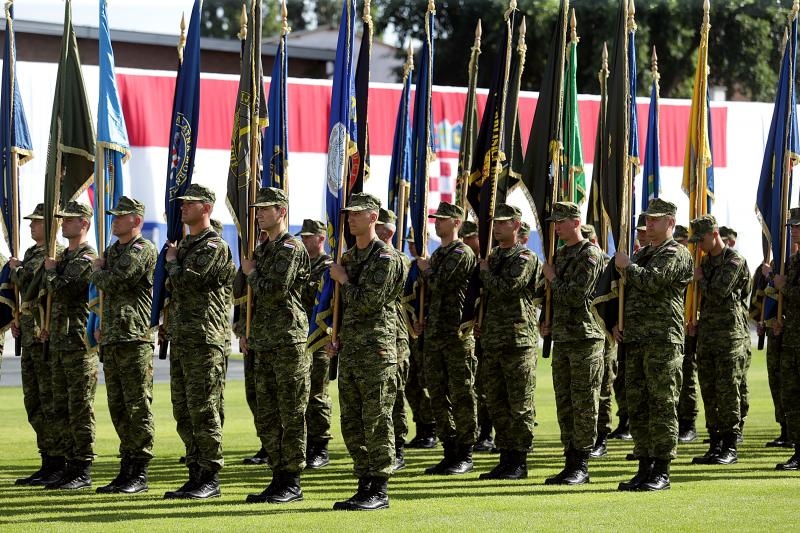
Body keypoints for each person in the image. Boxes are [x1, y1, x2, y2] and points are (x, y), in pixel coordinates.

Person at [327, 193, 404, 511]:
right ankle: (364, 482)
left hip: (376, 351)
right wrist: (335, 333)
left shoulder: (384, 258)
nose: (350, 219)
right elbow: (342, 307)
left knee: (376, 420)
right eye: (348, 214)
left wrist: (343, 281)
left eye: (357, 214)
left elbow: (370, 301)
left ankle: (379, 488)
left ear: (374, 217)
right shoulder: (348, 258)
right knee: (352, 422)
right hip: (352, 350)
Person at [614, 198, 693, 491]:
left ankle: (661, 469)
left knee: (662, 404)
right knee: (639, 405)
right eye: (648, 218)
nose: (649, 223)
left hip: (662, 340)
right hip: (636, 340)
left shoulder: (676, 253)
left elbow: (653, 282)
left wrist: (627, 266)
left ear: (670, 222)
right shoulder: (643, 253)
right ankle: (644, 465)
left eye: (656, 219)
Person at [162, 184, 235, 500]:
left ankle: (210, 476)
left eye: (189, 203)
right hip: (182, 338)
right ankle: (194, 473)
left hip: (205, 340)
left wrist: (173, 261)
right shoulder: (185, 245)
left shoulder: (213, 246)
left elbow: (190, 281)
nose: (183, 208)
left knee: (205, 409)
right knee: (185, 410)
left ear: (206, 207)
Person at [242, 187, 311, 504]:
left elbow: (275, 290)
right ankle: (278, 475)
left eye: (266, 209)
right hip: (263, 341)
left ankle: (292, 481)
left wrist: (252, 273)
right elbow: (248, 295)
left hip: (286, 340)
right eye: (257, 209)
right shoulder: (263, 249)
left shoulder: (290, 247)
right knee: (265, 413)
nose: (259, 214)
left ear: (282, 211)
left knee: (291, 412)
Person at [90, 197, 158, 494]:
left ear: (136, 221)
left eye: (121, 216)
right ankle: (126, 467)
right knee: (118, 407)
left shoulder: (142, 249)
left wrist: (96, 271)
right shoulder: (112, 251)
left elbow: (119, 280)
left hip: (135, 337)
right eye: (114, 216)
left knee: (137, 405)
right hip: (115, 338)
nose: (115, 220)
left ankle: (139, 471)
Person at [541, 203, 604, 485]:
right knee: (564, 402)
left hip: (584, 338)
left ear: (576, 222)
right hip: (564, 338)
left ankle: (582, 463)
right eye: (554, 222)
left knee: (583, 403)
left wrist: (553, 278)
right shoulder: (561, 254)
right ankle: (569, 460)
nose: (556, 227)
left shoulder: (590, 254)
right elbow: (550, 295)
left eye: (561, 222)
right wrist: (546, 319)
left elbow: (577, 295)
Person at [478, 204, 541, 480]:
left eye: (503, 223)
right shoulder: (493, 257)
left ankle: (519, 460)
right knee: (497, 401)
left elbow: (508, 288)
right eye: (496, 223)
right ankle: (505, 457)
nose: (497, 227)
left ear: (516, 225)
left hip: (518, 340)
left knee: (520, 403)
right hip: (493, 339)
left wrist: (485, 272)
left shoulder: (524, 256)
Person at [416, 202, 478, 476]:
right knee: (437, 394)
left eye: (442, 219)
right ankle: (449, 449)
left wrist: (426, 269)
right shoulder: (439, 253)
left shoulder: (461, 252)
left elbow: (443, 282)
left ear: (456, 222)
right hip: (435, 333)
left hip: (456, 333)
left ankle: (464, 452)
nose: (436, 223)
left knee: (461, 392)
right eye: (436, 219)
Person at [41, 201, 99, 490]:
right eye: (63, 220)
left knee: (79, 406)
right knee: (60, 406)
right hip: (60, 341)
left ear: (84, 224)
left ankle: (82, 468)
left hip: (78, 342)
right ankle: (65, 465)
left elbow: (64, 287)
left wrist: (51, 271)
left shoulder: (86, 257)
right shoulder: (64, 256)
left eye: (70, 220)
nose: (63, 224)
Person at [687, 215, 750, 466]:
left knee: (727, 392)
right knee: (709, 391)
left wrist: (701, 279)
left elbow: (719, 292)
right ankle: (715, 444)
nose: (699, 245)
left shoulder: (734, 260)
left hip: (730, 337)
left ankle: (730, 445)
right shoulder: (704, 261)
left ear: (715, 234)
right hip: (708, 336)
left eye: (701, 239)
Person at [10, 204, 63, 486]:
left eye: (37, 222)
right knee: (34, 403)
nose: (31, 226)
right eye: (30, 222)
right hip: (30, 336)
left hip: (45, 337)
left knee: (49, 400)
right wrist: (17, 318)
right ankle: (47, 460)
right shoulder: (32, 253)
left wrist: (15, 270)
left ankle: (57, 460)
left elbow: (31, 281)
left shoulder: (53, 253)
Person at [375, 208, 411, 472]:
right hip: (385, 337)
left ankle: (397, 446)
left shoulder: (395, 258)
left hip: (395, 337)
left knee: (395, 394)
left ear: (386, 231)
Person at [765, 207, 800, 470]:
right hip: (792, 338)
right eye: (792, 227)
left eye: (797, 226)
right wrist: (781, 319)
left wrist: (783, 286)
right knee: (791, 395)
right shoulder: (796, 260)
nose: (794, 231)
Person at [298, 219, 334, 469]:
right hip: (299, 338)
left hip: (319, 338)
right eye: (303, 236)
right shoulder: (301, 264)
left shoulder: (328, 267)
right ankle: (305, 443)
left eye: (309, 237)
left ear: (321, 239)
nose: (304, 240)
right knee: (300, 395)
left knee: (317, 395)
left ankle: (320, 446)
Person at [580, 224, 617, 459]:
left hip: (602, 333)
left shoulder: (605, 261)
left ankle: (601, 437)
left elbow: (614, 298)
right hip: (583, 333)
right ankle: (588, 437)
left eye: (589, 238)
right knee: (586, 390)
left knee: (603, 388)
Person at [461, 220, 493, 452]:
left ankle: (493, 436)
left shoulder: (489, 263)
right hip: (482, 334)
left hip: (504, 336)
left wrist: (486, 273)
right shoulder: (472, 264)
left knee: (496, 391)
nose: (466, 241)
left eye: (471, 236)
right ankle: (482, 433)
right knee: (480, 387)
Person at [403, 233, 437, 450]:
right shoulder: (409, 266)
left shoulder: (430, 265)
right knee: (410, 384)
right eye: (409, 242)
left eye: (415, 241)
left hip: (428, 335)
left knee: (428, 384)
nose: (412, 246)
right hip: (409, 335)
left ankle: (432, 428)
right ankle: (422, 427)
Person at [673, 224, 699, 443]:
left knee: (688, 377)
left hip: (694, 328)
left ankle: (689, 423)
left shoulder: (696, 263)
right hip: (675, 327)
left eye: (685, 242)